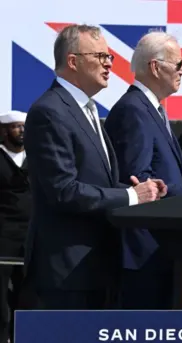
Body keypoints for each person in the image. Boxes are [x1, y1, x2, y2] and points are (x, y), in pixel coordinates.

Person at [23, 24, 163, 310]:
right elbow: (63, 190)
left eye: (110, 57)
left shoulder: (87, 111)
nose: (109, 64)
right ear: (73, 61)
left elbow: (98, 183)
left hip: (99, 267)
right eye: (101, 56)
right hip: (67, 274)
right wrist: (131, 197)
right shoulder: (49, 112)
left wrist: (135, 191)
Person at [105, 30, 182, 309]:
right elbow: (137, 180)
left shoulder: (152, 108)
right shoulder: (134, 109)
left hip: (161, 246)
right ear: (156, 67)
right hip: (143, 251)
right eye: (178, 65)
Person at [0, 111, 29, 343]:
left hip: (30, 234)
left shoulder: (37, 159)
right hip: (3, 235)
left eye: (23, 126)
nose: (20, 131)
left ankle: (22, 342)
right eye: (15, 127)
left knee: (26, 289)